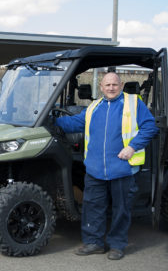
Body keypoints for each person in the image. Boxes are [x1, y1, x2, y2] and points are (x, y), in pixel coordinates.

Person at [55, 72, 158, 260]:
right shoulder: (94, 107)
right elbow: (75, 123)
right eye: (107, 85)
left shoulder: (133, 103)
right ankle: (93, 242)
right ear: (101, 87)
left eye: (114, 84)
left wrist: (133, 147)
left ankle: (117, 245)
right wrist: (51, 120)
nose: (111, 88)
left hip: (122, 168)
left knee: (121, 209)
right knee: (92, 207)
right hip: (95, 169)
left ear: (121, 85)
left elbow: (150, 126)